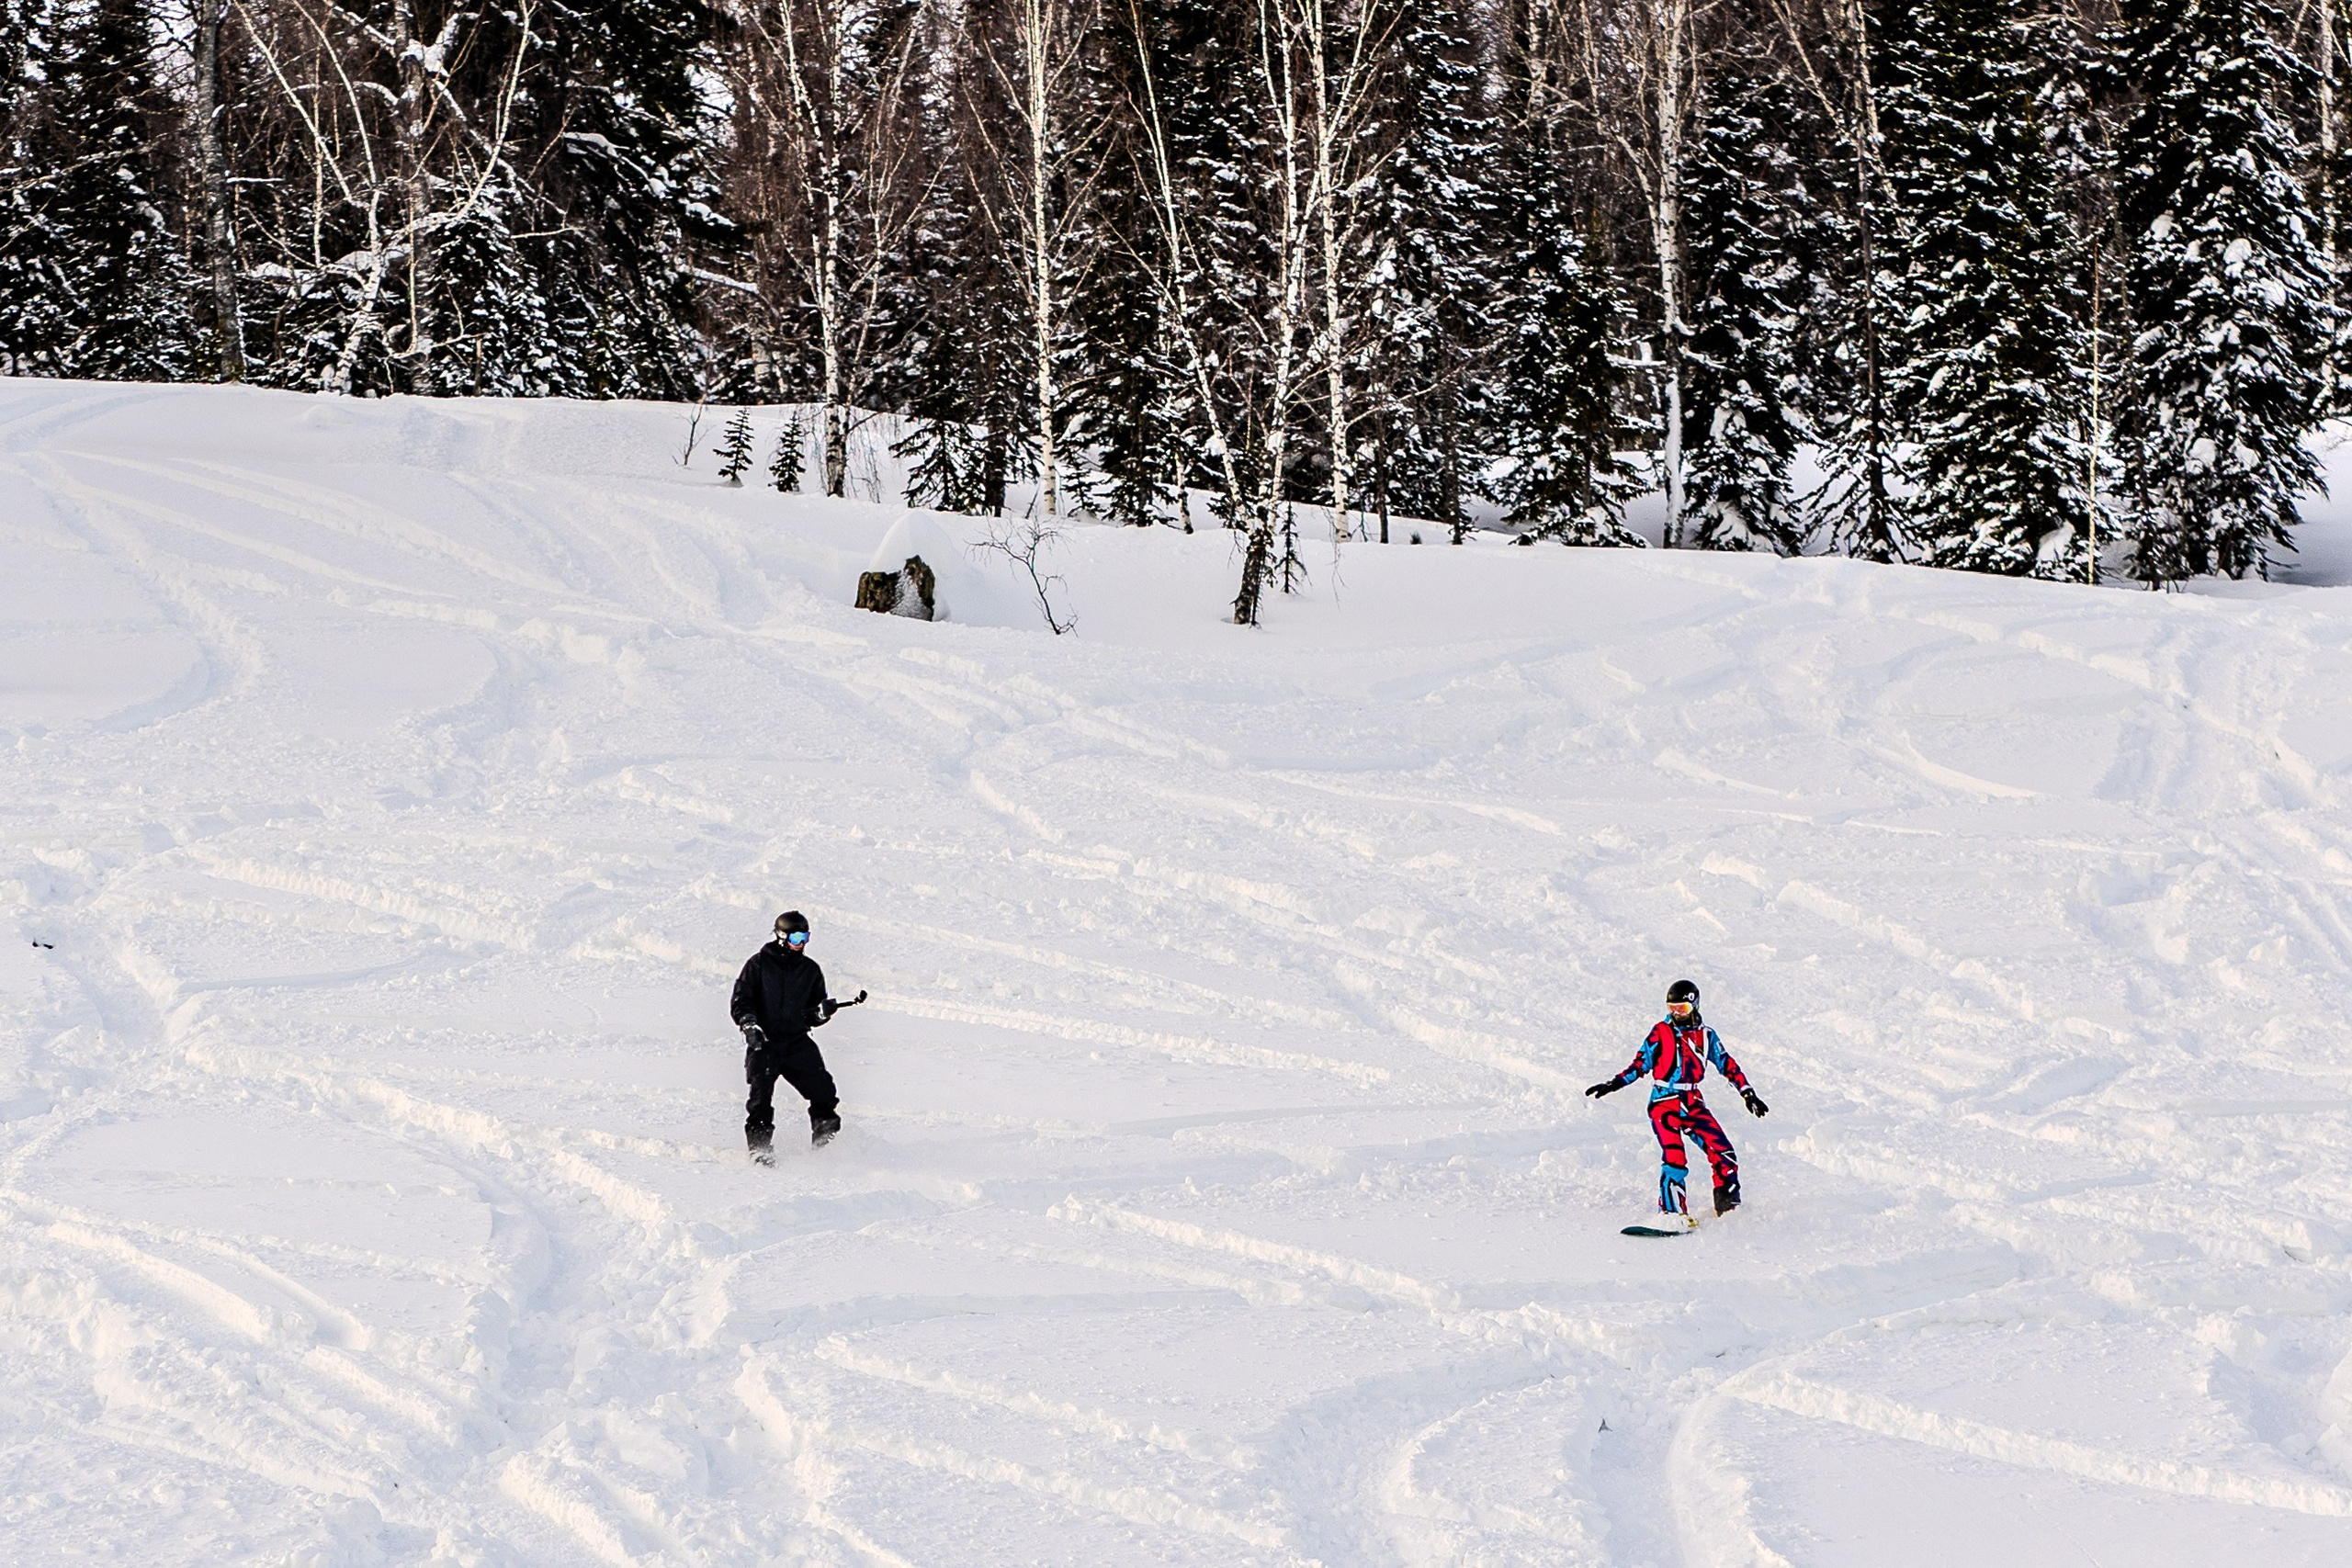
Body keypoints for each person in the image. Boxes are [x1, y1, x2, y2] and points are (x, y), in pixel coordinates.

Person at [1587, 978, 1769, 1225]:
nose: (1676, 1014)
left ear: (1694, 1006)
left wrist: (1748, 1093)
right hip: (1664, 1101)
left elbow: (1727, 1064)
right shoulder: (1661, 1032)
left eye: (1681, 1009)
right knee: (1674, 1156)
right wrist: (1614, 1084)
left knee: (1724, 1152)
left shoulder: (1706, 1036)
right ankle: (1672, 1213)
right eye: (1671, 1008)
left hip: (1692, 1101)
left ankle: (1729, 1209)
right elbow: (1640, 1064)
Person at [731, 910, 850, 1162]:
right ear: (782, 936)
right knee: (760, 1099)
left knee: (824, 1093)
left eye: (806, 936)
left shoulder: (810, 970)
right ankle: (760, 1150)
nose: (803, 943)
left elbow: (812, 1015)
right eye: (797, 937)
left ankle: (826, 1148)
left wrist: (821, 1013)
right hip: (765, 1043)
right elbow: (742, 1001)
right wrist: (750, 1026)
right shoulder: (758, 964)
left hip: (796, 1042)